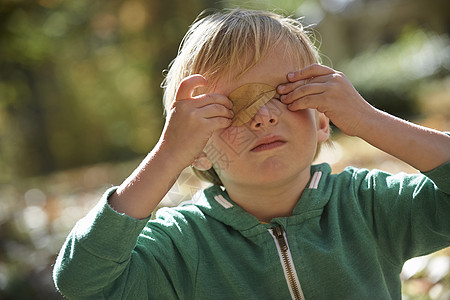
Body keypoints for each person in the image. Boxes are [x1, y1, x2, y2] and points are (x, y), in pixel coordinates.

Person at [53, 8, 450, 300]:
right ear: (196, 150)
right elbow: (81, 280)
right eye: (226, 109)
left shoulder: (370, 206)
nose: (261, 117)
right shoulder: (182, 245)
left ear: (325, 121)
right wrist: (167, 155)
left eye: (285, 94)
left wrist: (366, 119)